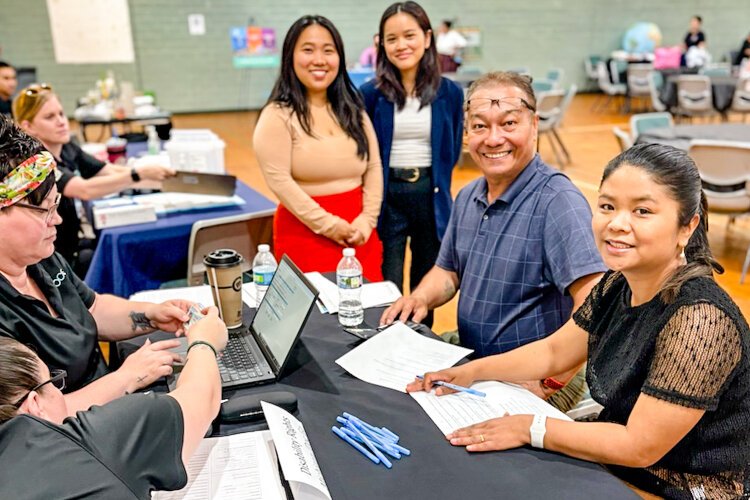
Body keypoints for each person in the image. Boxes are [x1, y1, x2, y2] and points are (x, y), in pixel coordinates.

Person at [409, 143, 750, 499]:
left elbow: (640, 446)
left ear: (686, 227)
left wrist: (531, 428)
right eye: (607, 206)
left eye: (642, 211)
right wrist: (470, 372)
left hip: (683, 482)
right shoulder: (618, 282)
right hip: (619, 458)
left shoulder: (700, 319)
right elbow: (556, 351)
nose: (617, 224)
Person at [382, 72, 604, 398]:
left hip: (532, 378)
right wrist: (420, 297)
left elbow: (595, 307)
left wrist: (552, 380)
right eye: (480, 126)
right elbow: (449, 271)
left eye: (509, 124)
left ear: (534, 125)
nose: (493, 138)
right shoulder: (469, 193)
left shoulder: (558, 202)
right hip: (474, 362)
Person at [0, 116, 194, 415]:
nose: (58, 219)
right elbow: (42, 417)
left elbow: (91, 308)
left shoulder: (39, 256)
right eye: (44, 210)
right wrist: (128, 377)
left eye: (57, 204)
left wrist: (152, 315)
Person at [0, 305, 227, 498]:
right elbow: (203, 396)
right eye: (52, 382)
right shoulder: (97, 441)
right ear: (34, 405)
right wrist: (204, 342)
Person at [254, 15, 383, 280]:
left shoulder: (352, 109)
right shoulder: (277, 115)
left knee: (368, 312)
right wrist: (330, 226)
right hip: (305, 232)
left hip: (359, 233)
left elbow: (373, 166)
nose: (319, 60)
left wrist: (367, 221)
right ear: (290, 56)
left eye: (328, 50)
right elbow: (279, 181)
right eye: (308, 50)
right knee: (316, 317)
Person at [361, 2, 464, 327]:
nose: (401, 45)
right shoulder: (370, 94)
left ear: (427, 37)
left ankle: (421, 343)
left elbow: (452, 147)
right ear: (381, 44)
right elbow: (365, 152)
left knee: (425, 284)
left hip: (430, 197)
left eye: (409, 35)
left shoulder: (450, 92)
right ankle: (383, 344)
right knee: (386, 282)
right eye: (392, 39)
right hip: (388, 197)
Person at [13, 83, 175, 276]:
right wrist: (137, 175)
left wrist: (151, 175)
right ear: (27, 126)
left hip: (73, 241)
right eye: (50, 117)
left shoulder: (66, 146)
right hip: (53, 257)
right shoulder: (35, 162)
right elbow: (83, 189)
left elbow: (106, 170)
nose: (61, 122)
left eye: (61, 114)